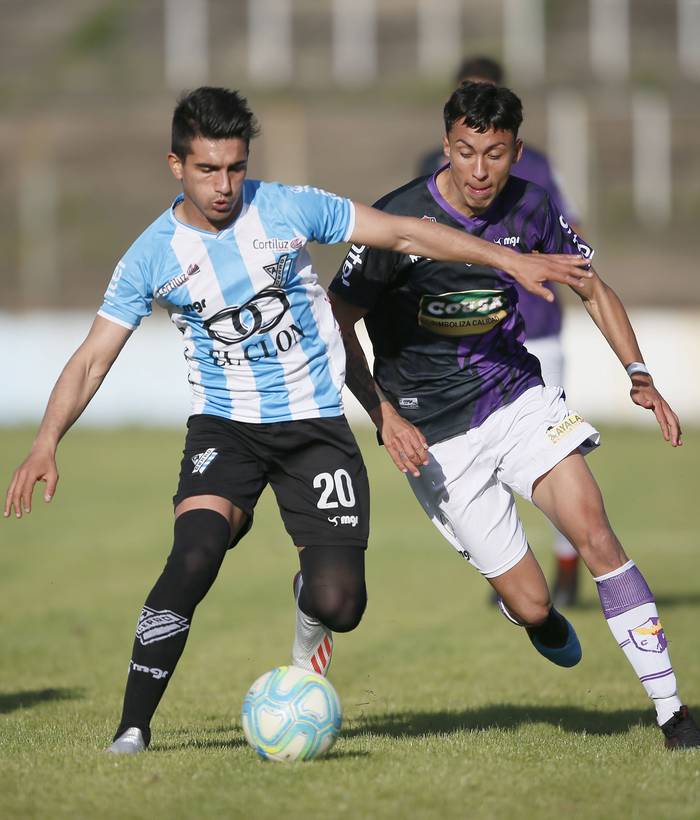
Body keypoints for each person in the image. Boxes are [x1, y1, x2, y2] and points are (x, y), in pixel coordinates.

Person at [2, 87, 590, 755]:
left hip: (316, 432)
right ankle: (132, 728)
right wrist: (46, 442)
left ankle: (308, 594)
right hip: (227, 430)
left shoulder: (286, 207)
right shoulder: (151, 257)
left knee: (342, 604)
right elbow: (91, 360)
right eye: (206, 170)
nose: (224, 186)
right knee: (193, 555)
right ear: (176, 166)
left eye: (235, 168)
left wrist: (506, 257)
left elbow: (402, 230)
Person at [328, 81, 699, 750]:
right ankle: (539, 620)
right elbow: (337, 324)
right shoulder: (396, 221)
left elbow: (591, 283)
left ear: (515, 152)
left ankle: (673, 712)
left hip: (517, 399)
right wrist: (382, 414)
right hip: (433, 436)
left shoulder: (532, 208)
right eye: (465, 152)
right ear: (445, 146)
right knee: (531, 603)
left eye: (494, 154)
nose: (478, 171)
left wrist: (638, 374)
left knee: (596, 534)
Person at [419, 55, 583, 606]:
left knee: (555, 462)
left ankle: (566, 571)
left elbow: (570, 237)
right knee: (486, 463)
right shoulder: (427, 174)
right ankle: (517, 573)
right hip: (462, 349)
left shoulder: (534, 167)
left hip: (534, 334)